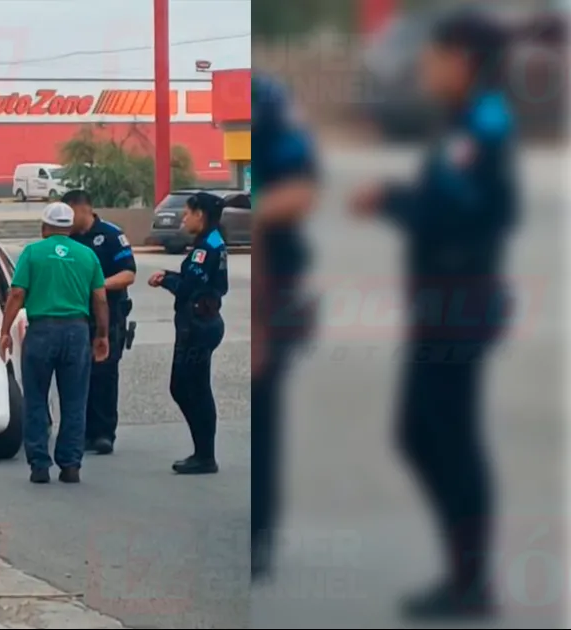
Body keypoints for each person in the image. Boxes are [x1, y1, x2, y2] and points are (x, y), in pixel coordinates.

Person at [350, 10, 516, 619]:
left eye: (435, 56)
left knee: (444, 436)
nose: (426, 67)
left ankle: (470, 581)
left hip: (460, 304)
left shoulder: (484, 126)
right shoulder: (467, 123)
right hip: (446, 301)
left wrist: (394, 199)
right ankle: (466, 573)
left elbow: (467, 212)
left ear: (463, 60)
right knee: (426, 434)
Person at [249, 72, 321, 581]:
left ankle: (263, 534)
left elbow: (298, 196)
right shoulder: (280, 124)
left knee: (266, 417)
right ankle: (262, 529)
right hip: (278, 300)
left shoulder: (280, 129)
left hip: (275, 302)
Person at [0, 202, 109, 484]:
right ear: (70, 228)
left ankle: (39, 465)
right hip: (76, 330)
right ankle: (70, 465)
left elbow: (17, 294)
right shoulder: (87, 255)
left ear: (44, 227)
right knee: (75, 401)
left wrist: (5, 330)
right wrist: (102, 335)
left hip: (42, 331)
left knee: (35, 399)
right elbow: (100, 298)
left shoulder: (33, 253)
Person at [147, 192, 228, 475]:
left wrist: (166, 280)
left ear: (200, 215)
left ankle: (205, 454)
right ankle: (203, 452)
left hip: (196, 326)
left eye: (188, 212)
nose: (184, 217)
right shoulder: (214, 241)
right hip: (205, 322)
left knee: (188, 388)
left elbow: (188, 287)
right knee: (194, 388)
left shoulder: (205, 248)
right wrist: (170, 275)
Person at [63, 189, 136, 454]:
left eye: (70, 214)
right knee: (77, 374)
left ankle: (104, 433)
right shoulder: (67, 238)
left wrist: (99, 286)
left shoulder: (111, 235)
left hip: (109, 314)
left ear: (83, 209)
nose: (67, 220)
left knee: (104, 373)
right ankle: (81, 431)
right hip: (75, 316)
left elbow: (128, 274)